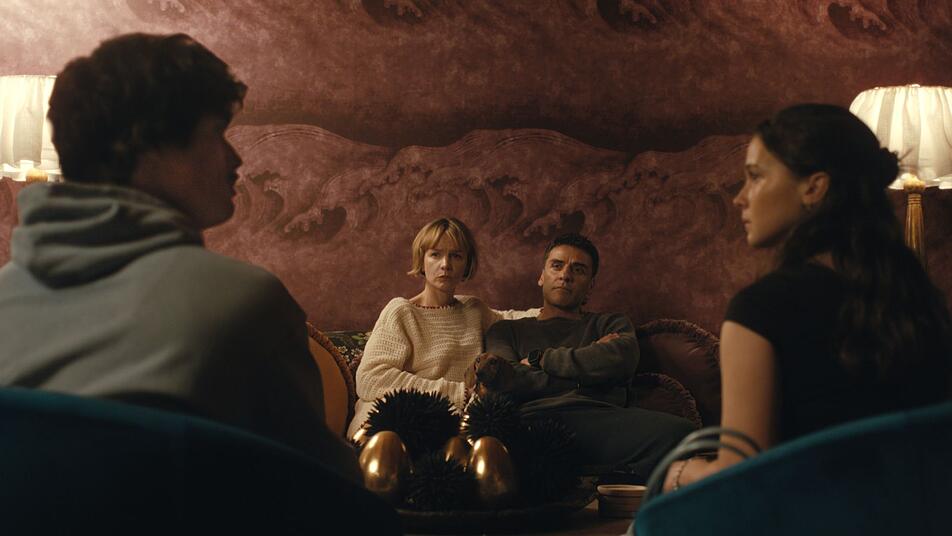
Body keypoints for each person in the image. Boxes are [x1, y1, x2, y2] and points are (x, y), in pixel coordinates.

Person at [0, 33, 361, 484]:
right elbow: (321, 490)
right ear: (147, 149)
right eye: (216, 135)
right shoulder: (245, 303)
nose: (235, 159)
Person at [662, 103, 952, 492]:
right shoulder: (921, 302)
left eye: (755, 176)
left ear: (813, 187)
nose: (739, 198)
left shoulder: (760, 310)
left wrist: (680, 473)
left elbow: (742, 482)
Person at [477, 232, 695, 480]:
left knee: (684, 434)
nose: (566, 275)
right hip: (534, 421)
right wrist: (587, 373)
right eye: (557, 266)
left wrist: (540, 360)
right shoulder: (506, 330)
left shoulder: (610, 324)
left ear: (590, 286)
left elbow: (622, 360)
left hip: (601, 419)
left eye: (578, 270)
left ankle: (601, 481)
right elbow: (504, 380)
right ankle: (605, 479)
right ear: (541, 276)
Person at [348, 217, 538, 439]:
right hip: (398, 421)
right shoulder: (401, 311)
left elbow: (515, 320)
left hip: (456, 424)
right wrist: (456, 393)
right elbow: (371, 378)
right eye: (435, 254)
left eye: (456, 256)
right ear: (422, 260)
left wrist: (561, 308)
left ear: (467, 264)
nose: (445, 265)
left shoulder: (474, 310)